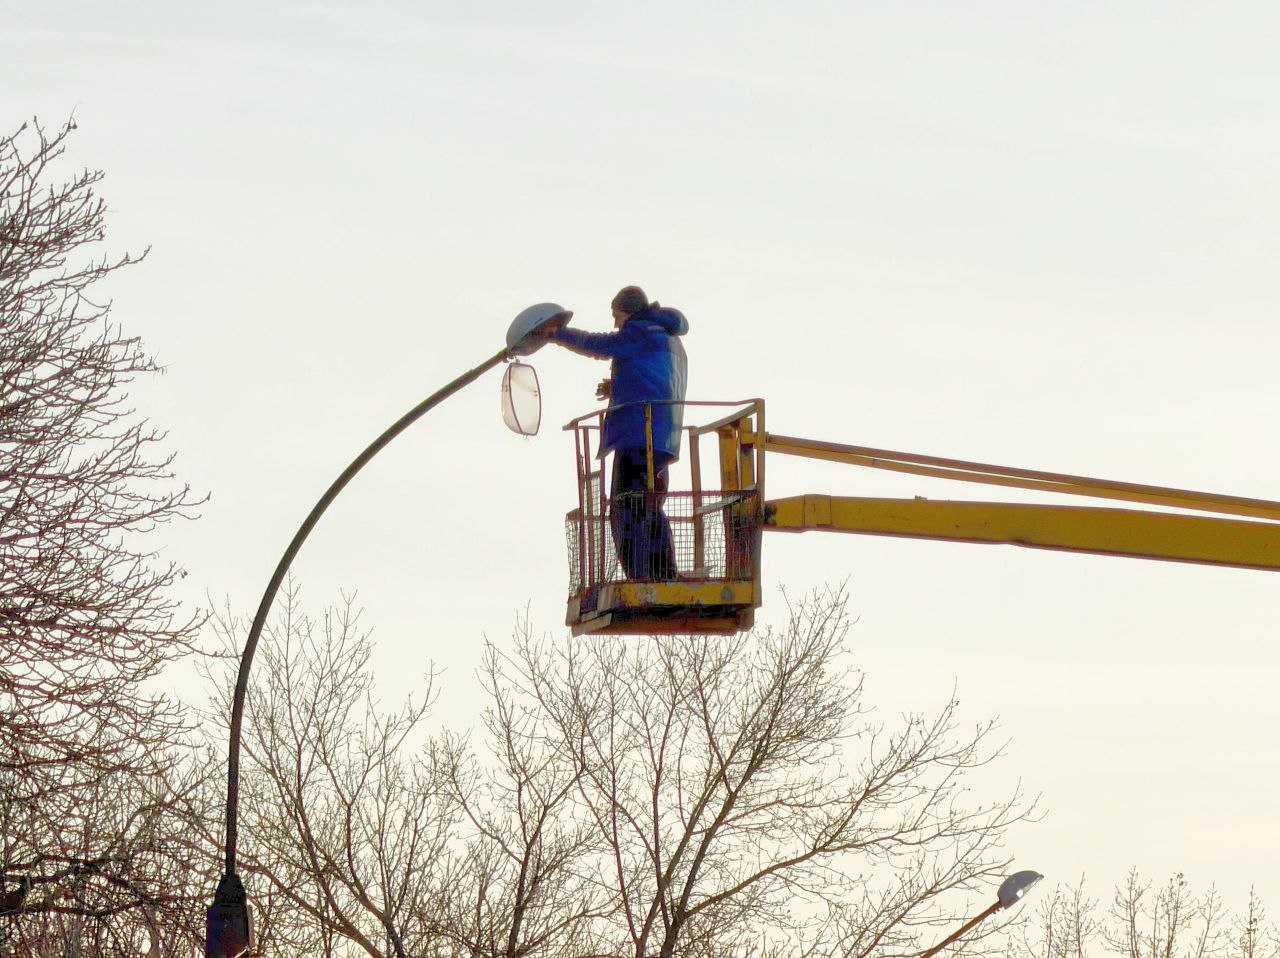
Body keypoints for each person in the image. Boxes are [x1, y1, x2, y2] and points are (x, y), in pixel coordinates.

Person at [543, 286, 688, 581]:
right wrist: (618, 386)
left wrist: (556, 334)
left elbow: (597, 344)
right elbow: (658, 378)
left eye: (616, 315)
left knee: (625, 507)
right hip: (662, 437)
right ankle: (663, 573)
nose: (615, 323)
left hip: (637, 432)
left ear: (629, 312)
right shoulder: (667, 338)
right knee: (649, 504)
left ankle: (641, 575)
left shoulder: (640, 332)